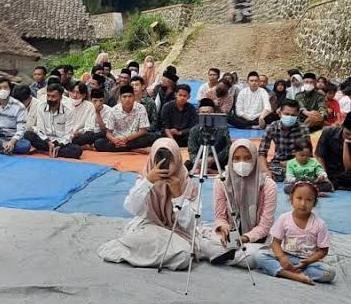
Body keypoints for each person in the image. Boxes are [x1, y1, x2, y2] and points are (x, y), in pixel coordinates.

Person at [98, 138, 232, 268]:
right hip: (150, 226)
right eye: (160, 158)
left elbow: (190, 223)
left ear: (178, 160)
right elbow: (132, 208)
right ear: (152, 160)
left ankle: (153, 251)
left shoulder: (185, 182)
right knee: (182, 252)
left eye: (170, 159)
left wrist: (178, 195)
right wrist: (148, 182)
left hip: (178, 230)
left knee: (183, 256)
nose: (165, 164)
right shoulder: (146, 177)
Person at [253, 181, 335, 285]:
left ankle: (288, 271)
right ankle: (294, 276)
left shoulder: (320, 224)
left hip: (306, 262)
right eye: (299, 198)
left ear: (314, 203)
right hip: (286, 257)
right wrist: (282, 258)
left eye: (309, 200)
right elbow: (275, 242)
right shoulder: (284, 218)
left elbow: (323, 251)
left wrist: (308, 261)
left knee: (329, 273)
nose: (303, 204)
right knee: (259, 256)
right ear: (291, 199)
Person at [211, 139, 277, 268]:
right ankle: (235, 255)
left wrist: (245, 238)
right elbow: (220, 217)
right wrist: (223, 228)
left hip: (256, 240)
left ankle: (231, 256)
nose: (242, 163)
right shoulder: (221, 181)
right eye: (236, 158)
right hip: (229, 237)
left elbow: (265, 226)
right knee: (203, 244)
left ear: (254, 159)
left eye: (247, 158)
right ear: (230, 160)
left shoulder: (268, 186)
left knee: (255, 256)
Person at [24, 83, 82, 159]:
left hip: (61, 141)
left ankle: (48, 151)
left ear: (61, 97)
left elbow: (68, 134)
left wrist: (60, 145)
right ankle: (52, 150)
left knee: (77, 150)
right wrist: (48, 142)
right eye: (48, 96)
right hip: (45, 140)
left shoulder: (68, 111)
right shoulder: (41, 107)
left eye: (53, 96)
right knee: (28, 134)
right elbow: (40, 129)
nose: (50, 99)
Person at [258, 99, 310, 182]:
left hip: (298, 163)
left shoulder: (303, 129)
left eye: (293, 115)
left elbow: (307, 153)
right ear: (280, 113)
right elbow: (261, 153)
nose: (289, 117)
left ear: (297, 115)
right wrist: (266, 172)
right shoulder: (272, 127)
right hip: (277, 164)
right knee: (257, 171)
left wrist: (289, 164)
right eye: (286, 114)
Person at [94, 86, 156, 152]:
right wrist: (114, 140)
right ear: (120, 98)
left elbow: (143, 131)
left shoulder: (141, 108)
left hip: (134, 138)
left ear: (134, 97)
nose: (127, 99)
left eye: (130, 96)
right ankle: (134, 149)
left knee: (153, 137)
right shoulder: (114, 110)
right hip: (118, 139)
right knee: (98, 143)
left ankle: (123, 148)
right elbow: (108, 133)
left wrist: (127, 138)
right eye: (124, 97)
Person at [0, 77, 30, 155]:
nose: (3, 90)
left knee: (25, 146)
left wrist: (11, 142)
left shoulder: (19, 106)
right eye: (0, 88)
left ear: (10, 89)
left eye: (5, 87)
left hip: (13, 139)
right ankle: (5, 148)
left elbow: (21, 129)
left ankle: (2, 148)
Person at [187, 99, 231, 173]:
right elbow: (192, 151)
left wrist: (214, 159)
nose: (206, 116)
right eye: (203, 113)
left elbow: (227, 148)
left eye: (208, 113)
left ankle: (209, 171)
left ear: (214, 113)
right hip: (200, 160)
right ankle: (207, 170)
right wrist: (198, 161)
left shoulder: (223, 128)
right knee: (187, 165)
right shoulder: (194, 130)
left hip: (217, 160)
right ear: (198, 114)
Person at [315, 112, 351, 190]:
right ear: (342, 126)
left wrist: (346, 144)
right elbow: (319, 156)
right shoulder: (328, 133)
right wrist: (324, 176)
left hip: (345, 175)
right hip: (328, 172)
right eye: (347, 133)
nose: (350, 137)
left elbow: (348, 169)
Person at [69, 82, 96, 147]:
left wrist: (79, 132)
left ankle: (71, 144)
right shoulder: (63, 103)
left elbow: (89, 127)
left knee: (91, 135)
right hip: (65, 135)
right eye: (72, 92)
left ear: (84, 95)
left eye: (78, 93)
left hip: (79, 135)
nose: (74, 95)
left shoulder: (89, 106)